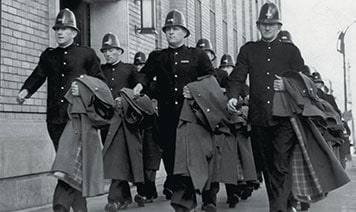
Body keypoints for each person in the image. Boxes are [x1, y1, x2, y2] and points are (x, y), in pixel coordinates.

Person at [16, 8, 105, 212]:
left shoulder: (87, 54)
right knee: (67, 163)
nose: (60, 32)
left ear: (74, 32)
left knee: (65, 164)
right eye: (57, 29)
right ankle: (80, 207)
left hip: (76, 119)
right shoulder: (49, 55)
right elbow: (38, 75)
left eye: (64, 29)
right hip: (54, 119)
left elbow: (100, 82)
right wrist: (25, 90)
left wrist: (83, 87)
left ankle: (60, 205)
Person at [133, 9, 215, 212]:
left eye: (176, 29)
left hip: (194, 118)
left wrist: (195, 91)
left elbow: (210, 80)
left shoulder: (198, 56)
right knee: (173, 160)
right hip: (168, 119)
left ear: (185, 32)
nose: (171, 32)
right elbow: (144, 75)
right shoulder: (157, 56)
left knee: (196, 158)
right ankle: (183, 201)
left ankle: (203, 198)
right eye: (168, 29)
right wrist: (139, 86)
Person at [226, 2, 305, 212]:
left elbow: (304, 80)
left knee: (279, 162)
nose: (267, 28)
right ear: (258, 26)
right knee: (269, 165)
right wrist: (232, 97)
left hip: (284, 118)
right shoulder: (249, 50)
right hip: (259, 117)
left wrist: (287, 84)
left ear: (279, 27)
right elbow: (237, 77)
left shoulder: (290, 51)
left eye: (272, 24)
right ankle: (286, 203)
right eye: (264, 24)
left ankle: (278, 209)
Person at [99, 32, 140, 144]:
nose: (108, 54)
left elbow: (137, 89)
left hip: (124, 117)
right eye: (105, 51)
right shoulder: (100, 70)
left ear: (119, 51)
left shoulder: (130, 69)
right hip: (106, 117)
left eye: (111, 50)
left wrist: (125, 100)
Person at [133, 50, 162, 204]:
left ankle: (149, 189)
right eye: (137, 64)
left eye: (142, 64)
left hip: (154, 124)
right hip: (138, 124)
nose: (139, 67)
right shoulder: (134, 83)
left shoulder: (154, 82)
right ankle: (144, 190)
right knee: (140, 158)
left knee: (151, 157)